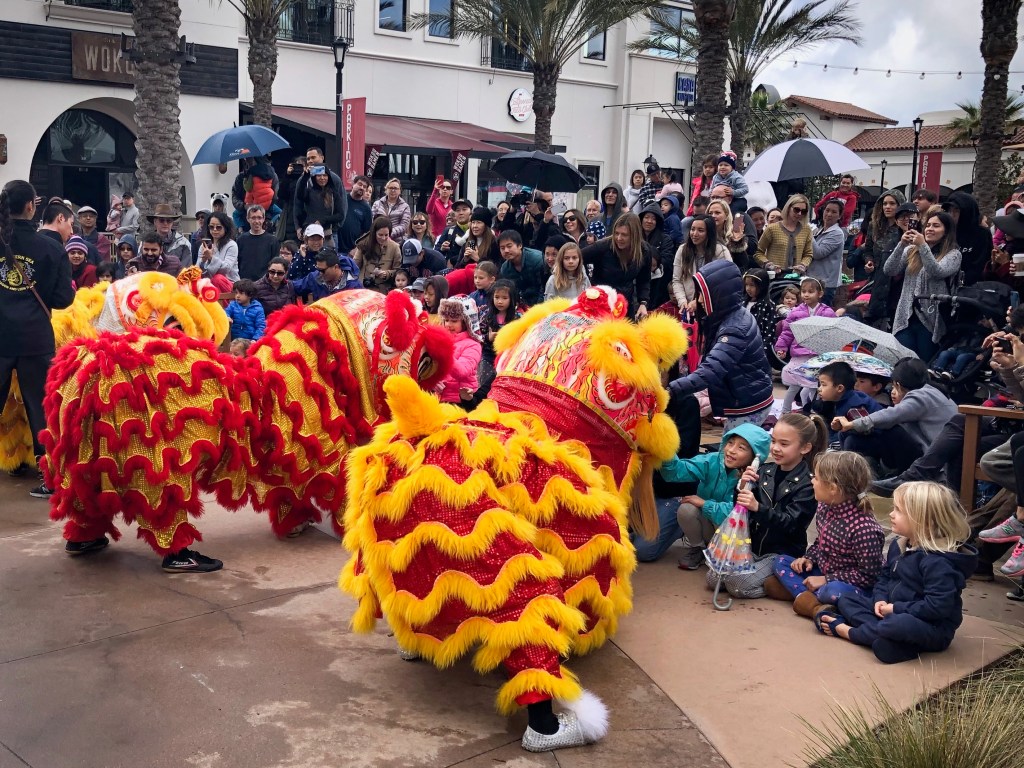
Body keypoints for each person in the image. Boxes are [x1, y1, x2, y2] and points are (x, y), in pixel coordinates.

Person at [817, 482, 978, 665]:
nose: (891, 514)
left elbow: (937, 607)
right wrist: (880, 599)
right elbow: (884, 577)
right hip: (891, 611)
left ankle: (848, 631)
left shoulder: (938, 563)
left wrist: (896, 609)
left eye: (899, 510)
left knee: (898, 625)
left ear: (924, 520)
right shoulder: (900, 545)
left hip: (930, 626)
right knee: (847, 599)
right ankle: (889, 641)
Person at [0, 180, 75, 499]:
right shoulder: (51, 247)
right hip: (35, 339)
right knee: (41, 410)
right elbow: (61, 300)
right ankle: (51, 478)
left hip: (1, 336)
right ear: (32, 207)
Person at [767, 451, 885, 618]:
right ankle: (810, 597)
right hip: (823, 571)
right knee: (780, 562)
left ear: (832, 488)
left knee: (831, 590)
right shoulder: (824, 507)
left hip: (850, 585)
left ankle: (810, 602)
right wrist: (809, 558)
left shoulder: (864, 529)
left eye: (816, 478)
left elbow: (869, 576)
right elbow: (819, 542)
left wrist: (827, 579)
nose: (811, 481)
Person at [720, 413, 825, 598]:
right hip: (751, 546)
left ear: (805, 447)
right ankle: (769, 578)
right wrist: (741, 488)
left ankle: (779, 587)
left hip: (780, 554)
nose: (775, 448)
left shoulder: (808, 484)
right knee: (714, 578)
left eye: (784, 444)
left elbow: (791, 524)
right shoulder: (764, 470)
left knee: (737, 586)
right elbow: (740, 511)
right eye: (773, 441)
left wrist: (757, 507)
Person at [634, 424, 770, 566]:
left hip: (733, 535)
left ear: (755, 457)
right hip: (710, 526)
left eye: (741, 448)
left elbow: (734, 514)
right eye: (730, 443)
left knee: (717, 516)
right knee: (686, 509)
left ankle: (722, 555)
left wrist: (704, 503)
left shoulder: (757, 479)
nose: (731, 450)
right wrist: (664, 448)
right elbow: (676, 471)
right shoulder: (713, 460)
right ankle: (698, 548)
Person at [668, 260, 774, 429]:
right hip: (746, 396)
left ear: (719, 294)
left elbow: (711, 370)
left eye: (704, 294)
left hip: (748, 403)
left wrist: (671, 390)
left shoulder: (734, 330)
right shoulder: (732, 315)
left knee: (733, 452)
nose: (700, 300)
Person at [832, 357, 958, 476]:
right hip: (945, 456)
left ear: (898, 384)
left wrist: (853, 424)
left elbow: (891, 416)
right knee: (855, 438)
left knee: (891, 430)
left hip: (937, 462)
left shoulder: (921, 396)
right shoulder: (932, 391)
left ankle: (894, 474)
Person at [884, 210, 962, 360]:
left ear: (946, 231)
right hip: (905, 317)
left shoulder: (953, 254)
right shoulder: (912, 250)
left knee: (924, 364)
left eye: (936, 226)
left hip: (931, 319)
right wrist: (902, 244)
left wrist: (923, 246)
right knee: (904, 362)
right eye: (928, 225)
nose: (930, 229)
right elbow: (889, 270)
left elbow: (936, 271)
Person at [775, 277, 837, 413]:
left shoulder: (828, 313)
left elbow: (833, 333)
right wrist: (781, 347)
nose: (806, 294)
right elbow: (787, 332)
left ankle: (810, 410)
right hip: (800, 353)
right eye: (803, 291)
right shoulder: (796, 312)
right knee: (795, 385)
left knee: (813, 385)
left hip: (817, 354)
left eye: (810, 291)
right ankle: (785, 410)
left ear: (819, 294)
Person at [581, 212, 652, 319]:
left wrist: (643, 303)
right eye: (616, 233)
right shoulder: (603, 246)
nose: (619, 238)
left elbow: (644, 279)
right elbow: (578, 258)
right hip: (600, 305)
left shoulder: (644, 250)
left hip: (625, 305)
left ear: (634, 235)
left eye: (624, 235)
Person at [859, 188, 907, 328]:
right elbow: (868, 249)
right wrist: (869, 261)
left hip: (897, 280)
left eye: (892, 203)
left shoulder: (903, 227)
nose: (887, 207)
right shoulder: (874, 225)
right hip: (877, 278)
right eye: (885, 203)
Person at [811, 361, 883, 445]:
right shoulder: (841, 400)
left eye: (823, 385)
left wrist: (824, 443)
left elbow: (861, 431)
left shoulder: (855, 406)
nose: (819, 389)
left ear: (840, 388)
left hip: (876, 441)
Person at [671, 214, 729, 312]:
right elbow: (677, 280)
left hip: (713, 307)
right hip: (689, 307)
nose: (694, 234)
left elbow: (725, 282)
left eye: (700, 230)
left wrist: (699, 301)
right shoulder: (683, 250)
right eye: (692, 229)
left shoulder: (721, 251)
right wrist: (682, 301)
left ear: (709, 233)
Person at [477, 279, 520, 400]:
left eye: (504, 298)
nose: (500, 301)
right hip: (489, 356)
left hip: (507, 358)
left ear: (512, 299)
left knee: (500, 388)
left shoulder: (517, 318)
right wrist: (488, 338)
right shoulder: (486, 315)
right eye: (497, 297)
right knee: (484, 386)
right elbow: (478, 336)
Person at [436, 298, 481, 409]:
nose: (449, 324)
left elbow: (462, 372)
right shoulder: (439, 342)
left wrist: (444, 351)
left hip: (461, 403)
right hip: (439, 399)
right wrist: (433, 383)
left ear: (466, 322)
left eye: (454, 321)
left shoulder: (473, 345)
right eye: (446, 320)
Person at [942, 191, 991, 286]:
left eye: (956, 210)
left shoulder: (982, 234)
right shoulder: (945, 231)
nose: (951, 214)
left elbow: (980, 265)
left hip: (970, 289)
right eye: (949, 210)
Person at [755, 195, 813, 274]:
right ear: (789, 208)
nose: (799, 213)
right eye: (796, 210)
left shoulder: (806, 230)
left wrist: (803, 265)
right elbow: (758, 252)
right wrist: (768, 265)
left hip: (796, 277)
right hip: (775, 277)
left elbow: (808, 254)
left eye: (803, 211)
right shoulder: (772, 228)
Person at [294, 164, 344, 245]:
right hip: (310, 235)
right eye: (319, 176)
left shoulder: (333, 193)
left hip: (327, 235)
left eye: (325, 175)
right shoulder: (310, 191)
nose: (322, 178)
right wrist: (305, 176)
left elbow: (340, 215)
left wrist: (323, 220)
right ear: (315, 177)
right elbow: (300, 195)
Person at [350, 216, 402, 292]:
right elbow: (354, 266)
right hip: (364, 288)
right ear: (374, 233)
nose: (383, 238)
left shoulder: (395, 247)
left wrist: (387, 273)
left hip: (383, 289)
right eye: (380, 235)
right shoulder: (363, 244)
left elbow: (398, 270)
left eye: (386, 235)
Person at [809, 199, 846, 305]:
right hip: (813, 280)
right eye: (827, 210)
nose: (829, 214)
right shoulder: (819, 231)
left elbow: (818, 253)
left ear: (839, 216)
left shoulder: (837, 233)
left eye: (834, 212)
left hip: (826, 285)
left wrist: (808, 234)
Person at [289, 247, 361, 302]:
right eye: (318, 269)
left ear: (336, 267)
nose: (320, 273)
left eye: (322, 270)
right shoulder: (314, 277)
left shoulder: (354, 286)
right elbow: (292, 287)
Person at [498, 230, 546, 307]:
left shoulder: (537, 259)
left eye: (509, 246)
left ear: (520, 245)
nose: (506, 251)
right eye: (502, 248)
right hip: (523, 305)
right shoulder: (505, 268)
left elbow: (544, 288)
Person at [638, 204, 675, 307]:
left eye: (653, 219)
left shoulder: (665, 239)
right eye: (646, 217)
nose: (649, 221)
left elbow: (667, 260)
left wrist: (652, 264)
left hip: (658, 285)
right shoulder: (635, 237)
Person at [197, 211, 239, 291]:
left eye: (218, 227)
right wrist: (203, 261)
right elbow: (198, 271)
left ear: (225, 228)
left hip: (229, 284)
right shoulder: (204, 245)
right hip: (209, 284)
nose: (214, 230)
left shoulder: (231, 245)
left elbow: (226, 269)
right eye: (211, 227)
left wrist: (211, 258)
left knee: (218, 278)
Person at [236, 204, 278, 281]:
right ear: (248, 219)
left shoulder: (272, 240)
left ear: (263, 219)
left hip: (265, 283)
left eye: (259, 218)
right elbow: (237, 262)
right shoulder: (240, 239)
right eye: (253, 218)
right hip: (245, 283)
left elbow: (274, 264)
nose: (256, 221)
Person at [742, 268, 778, 353]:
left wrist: (762, 350)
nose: (748, 288)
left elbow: (769, 332)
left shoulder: (768, 306)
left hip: (757, 347)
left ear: (762, 286)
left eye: (752, 285)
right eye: (746, 285)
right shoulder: (742, 302)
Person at [146, 203, 192, 268]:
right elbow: (140, 265)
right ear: (155, 222)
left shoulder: (183, 243)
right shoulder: (146, 242)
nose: (165, 223)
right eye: (161, 220)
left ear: (172, 223)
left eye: (169, 221)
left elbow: (186, 270)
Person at [336, 175, 373, 253]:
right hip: (335, 247)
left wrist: (356, 249)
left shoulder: (366, 209)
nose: (362, 188)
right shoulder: (341, 199)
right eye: (360, 184)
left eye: (364, 187)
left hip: (351, 252)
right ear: (353, 184)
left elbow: (367, 233)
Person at [435, 198, 474, 267]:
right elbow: (436, 253)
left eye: (464, 209)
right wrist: (442, 249)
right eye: (457, 210)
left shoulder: (475, 230)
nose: (461, 213)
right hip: (452, 271)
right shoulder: (449, 231)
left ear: (471, 211)